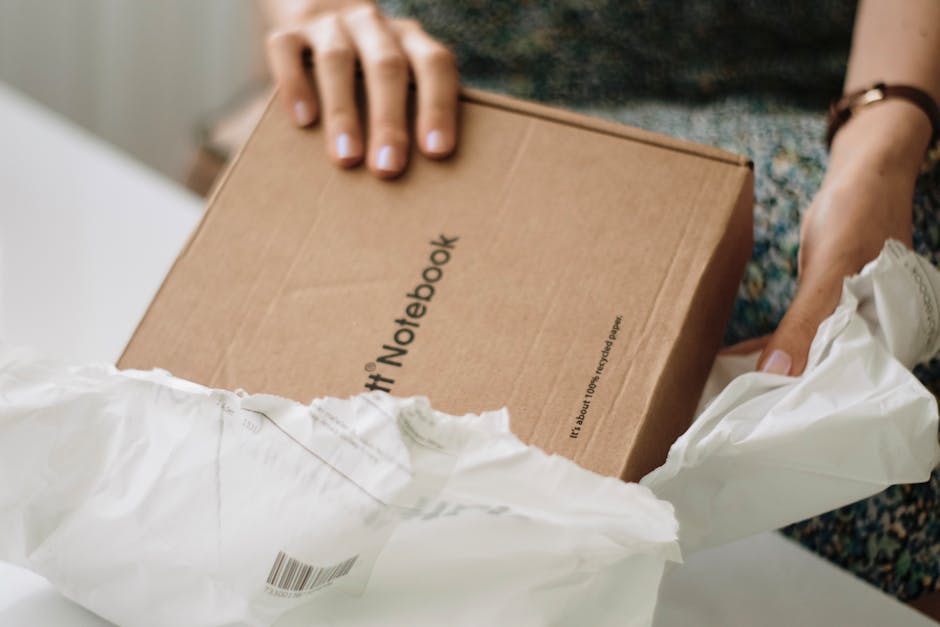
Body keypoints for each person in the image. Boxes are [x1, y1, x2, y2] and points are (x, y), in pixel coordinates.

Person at [259, 0, 940, 604]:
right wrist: (320, 16)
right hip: (450, 85)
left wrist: (881, 146)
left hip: (805, 92)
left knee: (841, 312)